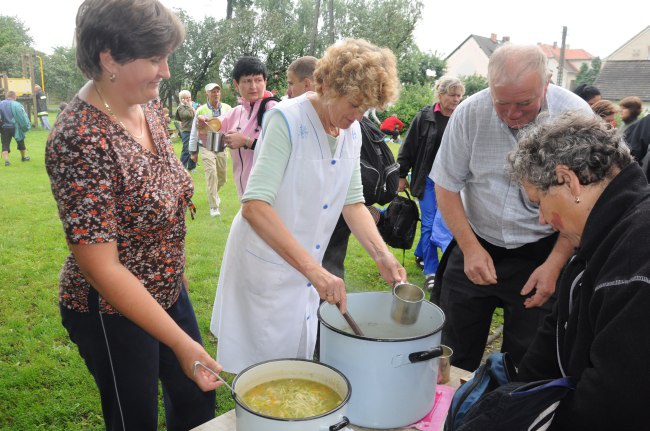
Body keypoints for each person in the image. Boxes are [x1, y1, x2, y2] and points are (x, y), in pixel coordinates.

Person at [44, 1, 223, 429]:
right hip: (109, 309)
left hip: (166, 288)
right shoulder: (79, 138)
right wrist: (181, 343)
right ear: (109, 58)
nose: (165, 71)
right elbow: (102, 268)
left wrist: (175, 274)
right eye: (155, 59)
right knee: (134, 419)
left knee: (197, 398)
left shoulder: (150, 107)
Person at [210, 38, 406, 374]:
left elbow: (352, 201)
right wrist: (315, 270)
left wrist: (382, 255)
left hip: (304, 268)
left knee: (295, 366)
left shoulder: (352, 130)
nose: (358, 115)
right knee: (264, 371)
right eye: (354, 104)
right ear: (327, 85)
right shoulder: (285, 120)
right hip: (267, 262)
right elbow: (255, 205)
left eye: (366, 108)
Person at [431, 44, 592, 371]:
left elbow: (585, 203)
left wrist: (555, 264)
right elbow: (446, 186)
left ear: (546, 83)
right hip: (476, 241)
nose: (512, 114)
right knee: (450, 352)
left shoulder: (576, 117)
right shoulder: (469, 113)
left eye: (524, 103)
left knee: (529, 362)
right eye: (501, 102)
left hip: (543, 251)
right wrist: (470, 249)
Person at [509, 111, 650, 429]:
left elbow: (612, 403)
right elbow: (557, 328)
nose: (543, 219)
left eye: (538, 202)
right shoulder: (606, 232)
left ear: (569, 181)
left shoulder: (633, 263)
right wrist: (515, 399)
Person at [397, 76, 465, 289]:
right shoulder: (425, 116)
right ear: (441, 94)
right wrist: (401, 174)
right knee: (429, 224)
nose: (456, 99)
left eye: (459, 96)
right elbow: (408, 146)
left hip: (452, 182)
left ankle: (421, 253)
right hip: (427, 179)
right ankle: (432, 271)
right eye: (452, 95)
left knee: (443, 224)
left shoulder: (463, 116)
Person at [216, 57, 279, 198]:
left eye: (258, 80)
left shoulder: (274, 110)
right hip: (245, 193)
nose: (253, 86)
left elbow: (279, 151)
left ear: (265, 81)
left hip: (270, 194)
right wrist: (203, 124)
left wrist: (246, 141)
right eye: (247, 81)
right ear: (236, 84)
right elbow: (213, 130)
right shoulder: (236, 112)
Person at [188, 83, 232, 217]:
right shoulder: (200, 110)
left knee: (222, 178)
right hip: (206, 147)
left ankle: (214, 194)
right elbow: (194, 132)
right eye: (213, 92)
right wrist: (193, 151)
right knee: (211, 174)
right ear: (207, 94)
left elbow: (233, 125)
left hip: (221, 147)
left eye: (218, 91)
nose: (216, 94)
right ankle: (214, 207)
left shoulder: (227, 108)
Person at [0, 90, 31, 166]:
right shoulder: (17, 105)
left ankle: (7, 161)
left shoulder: (0, 104)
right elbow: (22, 117)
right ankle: (23, 157)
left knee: (5, 144)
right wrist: (25, 126)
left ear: (7, 96)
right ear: (14, 96)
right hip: (15, 127)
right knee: (20, 142)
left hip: (4, 127)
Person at [175, 89, 196, 171]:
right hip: (186, 130)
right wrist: (189, 106)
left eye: (189, 97)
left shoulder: (192, 105)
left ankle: (192, 167)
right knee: (186, 149)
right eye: (186, 98)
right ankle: (182, 167)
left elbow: (197, 114)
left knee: (194, 148)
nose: (188, 99)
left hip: (194, 130)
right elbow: (187, 115)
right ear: (181, 99)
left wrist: (192, 107)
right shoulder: (180, 108)